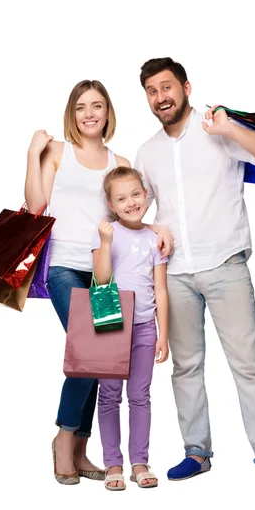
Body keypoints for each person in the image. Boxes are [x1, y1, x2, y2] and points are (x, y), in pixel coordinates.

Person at [134, 57, 255, 490]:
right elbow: (136, 208)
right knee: (185, 367)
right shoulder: (147, 152)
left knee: (248, 364)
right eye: (151, 91)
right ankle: (196, 453)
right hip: (176, 275)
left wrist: (231, 129)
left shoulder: (218, 131)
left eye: (166, 87)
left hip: (225, 264)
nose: (160, 97)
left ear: (186, 87)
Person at [24, 80, 172, 485]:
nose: (89, 113)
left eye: (98, 106)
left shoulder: (119, 159)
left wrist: (157, 226)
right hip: (65, 267)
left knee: (99, 359)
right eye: (81, 107)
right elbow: (37, 206)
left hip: (107, 272)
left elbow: (132, 209)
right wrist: (32, 155)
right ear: (72, 114)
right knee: (91, 354)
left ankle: (81, 445)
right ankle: (64, 438)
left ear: (108, 113)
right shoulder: (57, 152)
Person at [92, 167, 169, 490]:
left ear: (146, 195)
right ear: (111, 204)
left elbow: (160, 289)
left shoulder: (156, 239)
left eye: (136, 194)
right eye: (122, 198)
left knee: (140, 395)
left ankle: (139, 461)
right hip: (110, 323)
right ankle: (113, 463)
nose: (131, 203)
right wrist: (107, 242)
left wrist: (162, 333)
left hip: (144, 327)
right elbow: (102, 279)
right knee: (109, 395)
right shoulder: (105, 234)